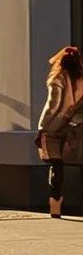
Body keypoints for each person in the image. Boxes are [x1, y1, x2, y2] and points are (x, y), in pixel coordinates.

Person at [38, 46, 83, 218]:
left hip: (53, 126)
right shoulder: (80, 79)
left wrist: (43, 126)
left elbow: (53, 105)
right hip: (71, 126)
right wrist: (73, 121)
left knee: (56, 165)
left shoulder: (57, 77)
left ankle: (55, 202)